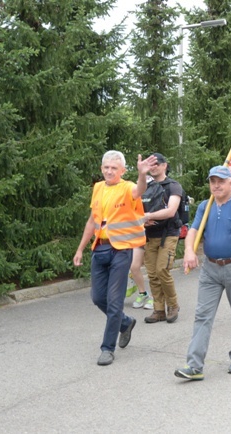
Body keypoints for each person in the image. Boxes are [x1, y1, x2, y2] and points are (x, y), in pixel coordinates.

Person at [73, 150, 157, 366]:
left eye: (114, 168)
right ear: (101, 169)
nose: (109, 171)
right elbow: (93, 221)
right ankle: (125, 322)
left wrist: (142, 174)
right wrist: (81, 249)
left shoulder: (127, 187)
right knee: (98, 298)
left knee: (114, 302)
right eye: (106, 167)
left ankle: (107, 349)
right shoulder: (98, 188)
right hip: (100, 249)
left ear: (122, 170)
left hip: (121, 250)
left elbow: (140, 190)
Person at [175, 166, 231, 381]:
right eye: (213, 181)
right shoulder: (205, 205)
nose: (216, 185)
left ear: (230, 183)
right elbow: (193, 231)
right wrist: (189, 251)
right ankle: (195, 365)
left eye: (221, 181)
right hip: (210, 269)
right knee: (202, 316)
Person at [142, 153, 183, 324]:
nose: (153, 167)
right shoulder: (144, 186)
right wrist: (142, 220)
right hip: (150, 236)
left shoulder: (173, 186)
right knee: (152, 274)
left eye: (156, 163)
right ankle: (158, 310)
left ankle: (173, 305)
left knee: (162, 270)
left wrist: (148, 216)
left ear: (165, 165)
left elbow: (171, 211)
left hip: (168, 234)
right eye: (149, 164)